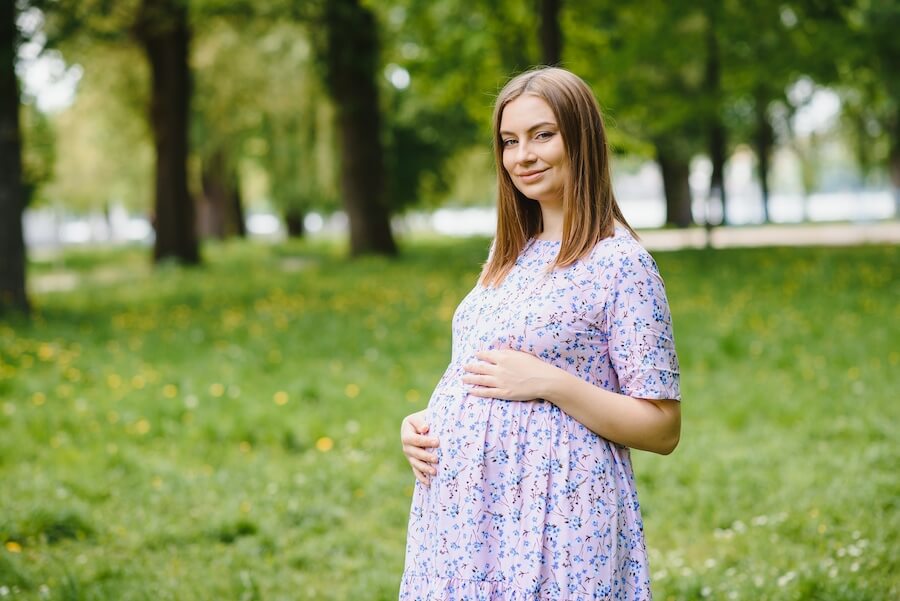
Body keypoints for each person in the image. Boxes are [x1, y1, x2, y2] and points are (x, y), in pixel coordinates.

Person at [398, 66, 681, 600]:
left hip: (557, 513)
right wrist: (423, 423)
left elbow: (663, 429)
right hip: (465, 520)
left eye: (542, 135)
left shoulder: (620, 263)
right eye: (509, 141)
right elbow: (475, 371)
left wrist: (550, 382)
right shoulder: (508, 255)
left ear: (582, 140)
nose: (522, 155)